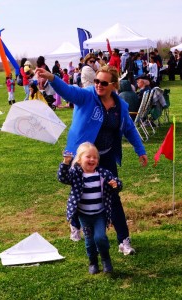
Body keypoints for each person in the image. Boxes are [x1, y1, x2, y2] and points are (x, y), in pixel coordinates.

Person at [36, 65, 148, 255]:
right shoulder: (87, 96)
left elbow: (129, 129)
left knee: (113, 194)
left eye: (103, 83)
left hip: (106, 156)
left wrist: (140, 150)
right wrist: (53, 78)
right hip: (84, 157)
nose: (98, 85)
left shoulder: (120, 106)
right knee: (82, 191)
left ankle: (124, 240)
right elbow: (69, 92)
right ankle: (75, 223)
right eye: (96, 81)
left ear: (113, 85)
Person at [57, 142, 122, 274]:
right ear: (80, 159)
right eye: (88, 157)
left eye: (95, 157)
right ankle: (93, 262)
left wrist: (116, 184)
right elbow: (62, 178)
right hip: (84, 215)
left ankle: (105, 259)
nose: (92, 159)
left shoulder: (103, 173)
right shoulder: (75, 173)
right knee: (89, 241)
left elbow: (118, 182)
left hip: (100, 214)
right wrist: (65, 163)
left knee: (100, 238)